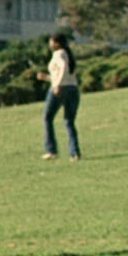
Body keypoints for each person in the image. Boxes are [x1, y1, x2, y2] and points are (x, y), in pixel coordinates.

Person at [37, 32, 81, 161]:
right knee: (69, 121)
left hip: (61, 89)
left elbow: (62, 68)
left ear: (56, 43)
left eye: (51, 42)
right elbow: (63, 73)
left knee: (47, 117)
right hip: (72, 88)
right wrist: (46, 78)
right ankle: (75, 152)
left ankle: (51, 150)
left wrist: (57, 85)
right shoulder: (67, 54)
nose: (50, 44)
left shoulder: (59, 53)